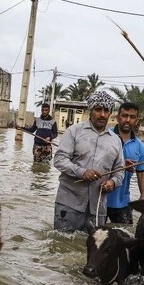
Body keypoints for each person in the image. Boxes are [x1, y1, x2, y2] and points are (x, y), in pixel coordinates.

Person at [53, 91, 125, 232]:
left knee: (93, 252)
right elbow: (59, 159)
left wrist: (113, 182)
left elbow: (120, 170)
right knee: (61, 246)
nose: (102, 114)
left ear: (111, 113)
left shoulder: (116, 140)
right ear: (90, 110)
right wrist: (82, 172)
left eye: (106, 110)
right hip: (69, 204)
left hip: (98, 208)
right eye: (98, 109)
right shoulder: (73, 132)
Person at [105, 101, 144, 224]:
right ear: (118, 117)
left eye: (132, 117)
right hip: (100, 199)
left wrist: (143, 196)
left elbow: (142, 173)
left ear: (136, 120)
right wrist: (122, 164)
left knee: (127, 237)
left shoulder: (139, 146)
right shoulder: (105, 136)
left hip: (123, 202)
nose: (128, 120)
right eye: (124, 116)